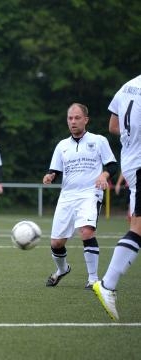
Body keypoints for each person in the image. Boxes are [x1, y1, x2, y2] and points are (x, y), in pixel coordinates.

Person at [43, 103, 117, 289]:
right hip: (67, 196)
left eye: (77, 118)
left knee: (86, 231)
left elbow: (112, 166)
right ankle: (62, 270)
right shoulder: (62, 146)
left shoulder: (99, 141)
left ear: (86, 120)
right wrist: (50, 175)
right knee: (56, 242)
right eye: (70, 118)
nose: (73, 121)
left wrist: (104, 175)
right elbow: (55, 170)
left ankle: (93, 279)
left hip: (89, 194)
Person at [93, 75, 141, 321]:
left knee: (137, 225)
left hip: (131, 162)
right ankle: (108, 284)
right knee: (138, 227)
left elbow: (113, 126)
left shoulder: (127, 86)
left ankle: (109, 283)